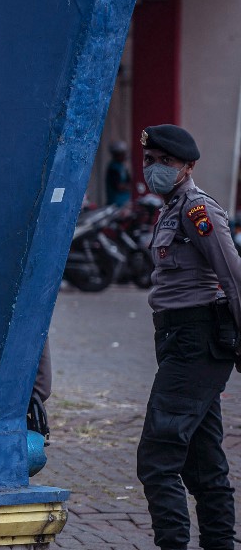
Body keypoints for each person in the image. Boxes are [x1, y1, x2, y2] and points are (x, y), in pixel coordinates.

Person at [136, 124, 240, 550]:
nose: (155, 168)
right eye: (150, 161)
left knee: (158, 458)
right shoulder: (169, 208)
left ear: (188, 167)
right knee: (202, 461)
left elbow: (232, 276)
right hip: (178, 340)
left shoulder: (198, 210)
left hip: (196, 342)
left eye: (166, 162)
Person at [105, 140, 132, 206]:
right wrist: (126, 187)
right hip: (116, 203)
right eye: (122, 154)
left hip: (124, 202)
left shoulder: (122, 166)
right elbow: (118, 186)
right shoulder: (113, 167)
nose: (124, 156)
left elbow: (129, 181)